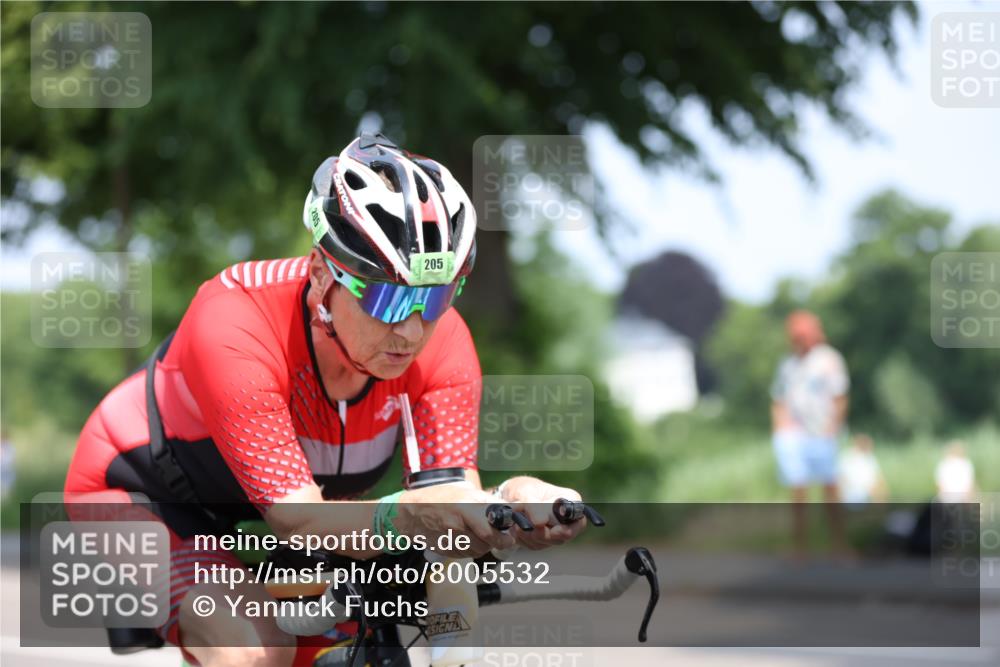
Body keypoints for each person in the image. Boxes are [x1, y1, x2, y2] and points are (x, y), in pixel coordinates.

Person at [65, 134, 585, 667]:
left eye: (435, 297)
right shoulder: (235, 321)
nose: (411, 330)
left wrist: (512, 505)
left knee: (345, 645)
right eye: (389, 296)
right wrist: (410, 517)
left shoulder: (444, 340)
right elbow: (301, 519)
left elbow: (449, 529)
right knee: (256, 650)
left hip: (279, 507)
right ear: (320, 275)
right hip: (139, 492)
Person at [770, 310, 850, 557]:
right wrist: (780, 428)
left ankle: (838, 545)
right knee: (798, 492)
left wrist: (832, 428)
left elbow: (840, 397)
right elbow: (779, 399)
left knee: (830, 490)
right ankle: (801, 549)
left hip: (822, 434)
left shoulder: (829, 360)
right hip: (796, 435)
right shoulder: (788, 364)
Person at [838, 433, 888, 505]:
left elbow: (879, 477)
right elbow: (842, 479)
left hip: (868, 491)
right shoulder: (847, 457)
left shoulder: (870, 457)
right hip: (852, 493)